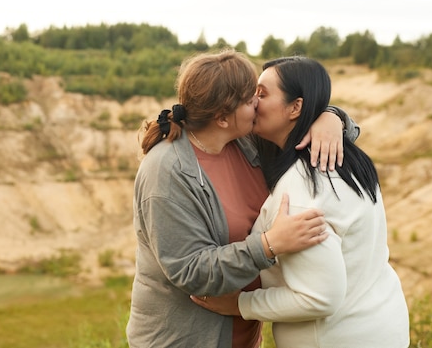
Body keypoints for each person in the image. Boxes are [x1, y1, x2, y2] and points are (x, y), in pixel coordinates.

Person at [126, 49, 359, 348]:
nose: (259, 105)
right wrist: (269, 245)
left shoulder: (247, 142)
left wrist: (331, 117)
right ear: (223, 117)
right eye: (252, 99)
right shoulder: (167, 171)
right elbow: (191, 272)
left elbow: (313, 132)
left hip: (244, 337)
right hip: (183, 340)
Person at [191, 56, 409, 348]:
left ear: (295, 107)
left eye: (263, 94)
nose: (253, 101)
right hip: (383, 325)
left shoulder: (303, 192)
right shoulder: (345, 160)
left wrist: (241, 305)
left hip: (336, 339)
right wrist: (332, 115)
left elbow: (319, 297)